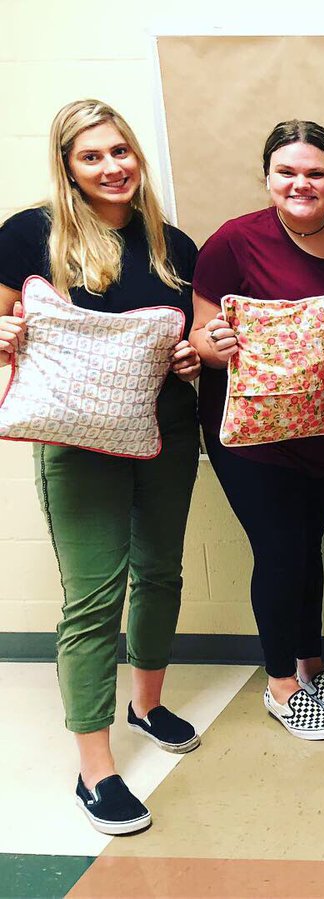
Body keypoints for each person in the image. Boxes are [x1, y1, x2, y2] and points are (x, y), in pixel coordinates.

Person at [0, 99, 202, 834]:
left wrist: (188, 361)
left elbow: (195, 345)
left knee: (161, 571)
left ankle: (146, 703)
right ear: (68, 167)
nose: (113, 167)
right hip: (76, 443)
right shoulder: (32, 235)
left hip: (165, 431)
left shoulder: (172, 245)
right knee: (93, 597)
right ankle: (96, 768)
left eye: (121, 151)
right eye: (92, 156)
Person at [190, 120, 324, 741]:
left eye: (315, 172)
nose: (301, 184)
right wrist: (213, 344)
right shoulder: (233, 243)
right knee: (280, 549)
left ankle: (312, 663)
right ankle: (279, 683)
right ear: (267, 177)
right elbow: (201, 337)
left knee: (308, 544)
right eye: (287, 172)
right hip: (249, 436)